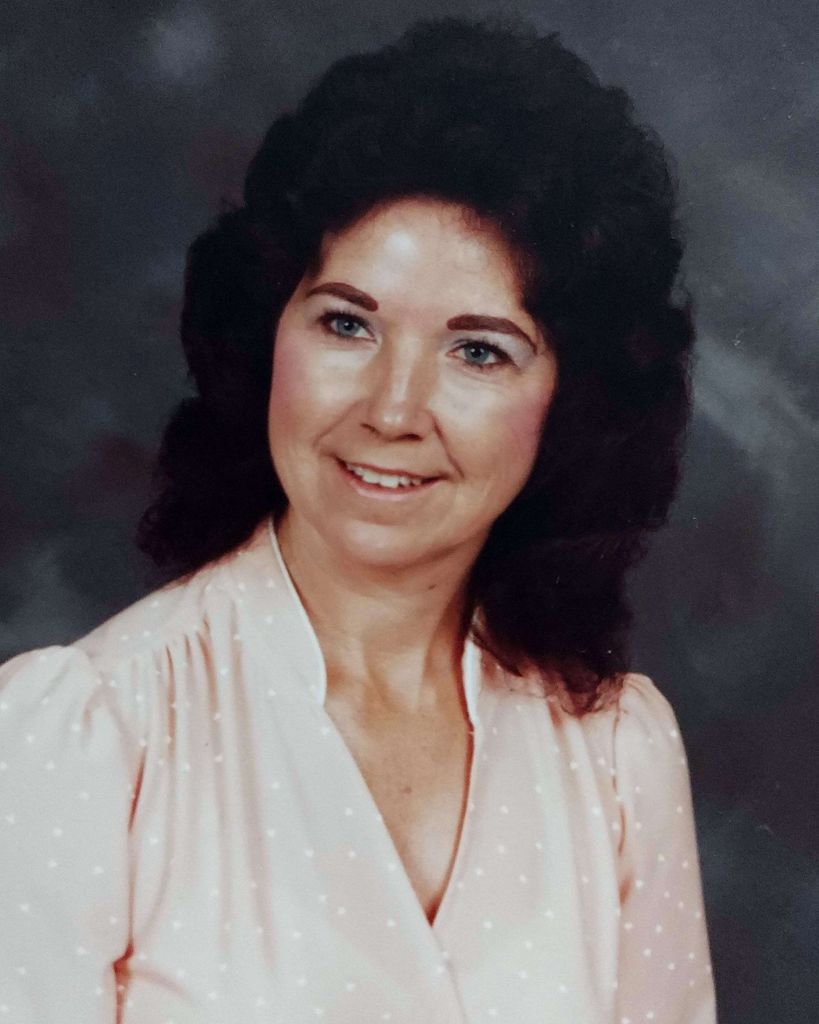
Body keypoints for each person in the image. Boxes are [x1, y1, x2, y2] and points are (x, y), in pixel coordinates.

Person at [0, 16, 717, 1024]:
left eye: (478, 351)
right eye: (347, 323)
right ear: (268, 333)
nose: (391, 408)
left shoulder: (614, 754)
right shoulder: (87, 735)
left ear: (574, 401)